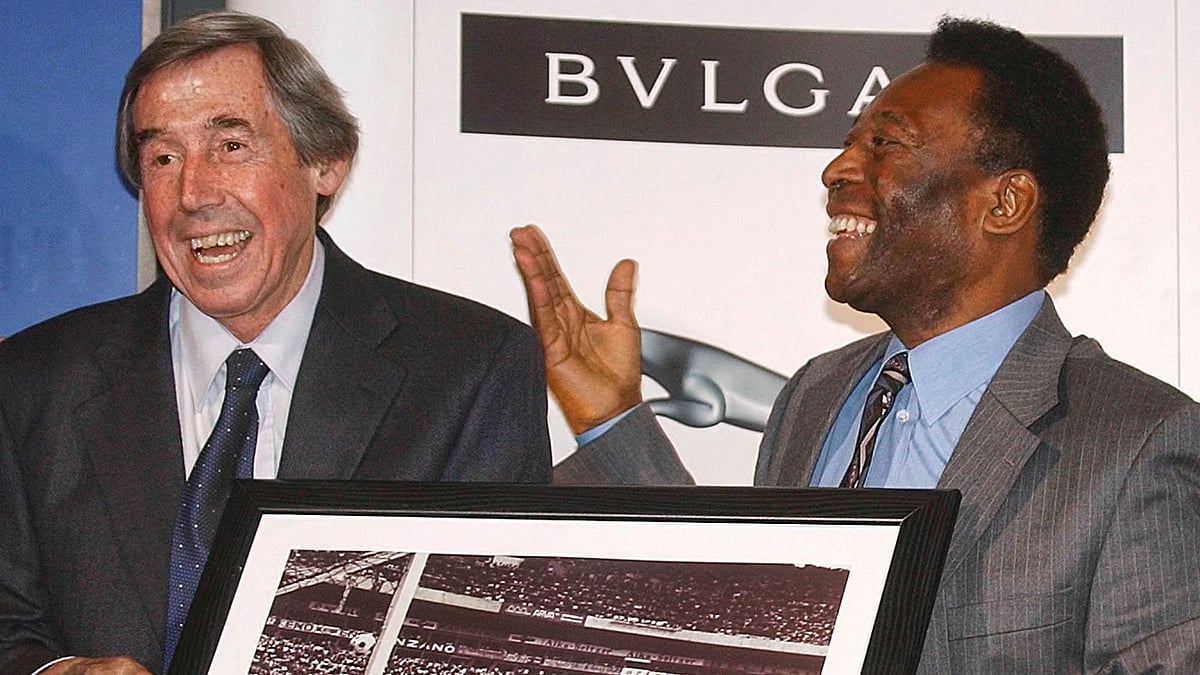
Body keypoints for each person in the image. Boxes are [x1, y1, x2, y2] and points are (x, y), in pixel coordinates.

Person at [511, 17, 1200, 672]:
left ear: (1004, 203)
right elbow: (742, 627)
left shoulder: (1138, 439)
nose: (836, 168)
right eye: (850, 141)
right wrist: (612, 419)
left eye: (885, 144)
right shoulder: (815, 395)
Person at [0, 11, 549, 675]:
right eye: (162, 157)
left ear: (325, 162)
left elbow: (492, 647)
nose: (193, 193)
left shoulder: (471, 371)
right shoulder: (32, 383)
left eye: (230, 147)